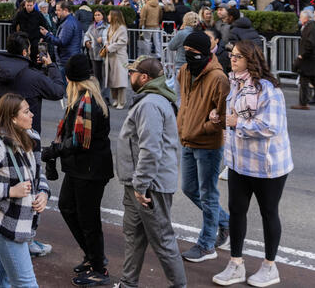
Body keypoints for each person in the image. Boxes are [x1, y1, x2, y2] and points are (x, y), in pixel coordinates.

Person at [212, 42, 293, 287]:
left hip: (267, 164)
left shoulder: (268, 89)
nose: (232, 60)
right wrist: (221, 118)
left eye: (238, 56)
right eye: (231, 55)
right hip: (238, 162)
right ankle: (235, 263)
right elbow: (233, 117)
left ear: (251, 59)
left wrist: (236, 123)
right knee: (236, 211)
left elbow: (270, 126)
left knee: (269, 213)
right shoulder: (235, 83)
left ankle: (270, 266)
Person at [114, 56, 186, 288]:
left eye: (132, 73)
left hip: (148, 186)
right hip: (140, 184)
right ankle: (128, 283)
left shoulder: (150, 104)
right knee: (134, 237)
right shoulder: (152, 100)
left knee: (162, 239)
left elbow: (150, 148)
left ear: (144, 77)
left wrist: (140, 185)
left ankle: (179, 285)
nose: (129, 76)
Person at [0, 93, 50, 287]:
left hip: (23, 222)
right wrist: (10, 191)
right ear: (12, 117)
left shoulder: (32, 138)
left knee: (0, 279)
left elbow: (39, 174)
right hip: (4, 224)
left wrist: (44, 193)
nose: (32, 115)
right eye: (26, 111)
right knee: (26, 283)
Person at [44, 54, 112, 286]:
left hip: (90, 170)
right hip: (80, 168)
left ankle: (98, 268)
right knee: (67, 207)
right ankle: (93, 256)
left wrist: (53, 151)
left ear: (71, 78)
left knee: (88, 219)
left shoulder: (87, 101)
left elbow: (79, 142)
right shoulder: (83, 99)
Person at [175, 30, 230, 264]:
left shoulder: (218, 78)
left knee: (208, 194)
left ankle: (207, 244)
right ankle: (227, 222)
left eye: (193, 52)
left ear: (205, 53)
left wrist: (208, 125)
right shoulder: (184, 72)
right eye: (185, 51)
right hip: (187, 139)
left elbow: (226, 117)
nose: (188, 56)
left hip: (208, 144)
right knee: (189, 188)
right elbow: (185, 102)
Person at [0, 32, 66, 141]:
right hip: (27, 140)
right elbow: (58, 91)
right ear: (24, 52)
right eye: (30, 49)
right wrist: (51, 66)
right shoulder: (34, 77)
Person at [41, 1, 82, 70]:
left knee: (64, 80)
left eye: (58, 10)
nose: (56, 12)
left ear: (65, 10)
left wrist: (47, 35)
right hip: (69, 57)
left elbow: (62, 42)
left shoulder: (68, 23)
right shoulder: (71, 20)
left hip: (66, 59)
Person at [103, 10, 130, 108]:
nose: (108, 16)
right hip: (110, 57)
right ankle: (115, 99)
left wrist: (109, 48)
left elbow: (122, 42)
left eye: (109, 15)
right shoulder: (110, 27)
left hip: (119, 57)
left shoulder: (122, 28)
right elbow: (106, 38)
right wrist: (106, 44)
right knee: (112, 79)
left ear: (114, 16)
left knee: (121, 80)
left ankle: (121, 101)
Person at [82, 9, 108, 87]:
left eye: (98, 15)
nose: (96, 17)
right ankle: (97, 93)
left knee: (104, 75)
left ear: (103, 16)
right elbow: (86, 35)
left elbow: (109, 37)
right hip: (93, 53)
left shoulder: (106, 26)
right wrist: (86, 42)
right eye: (95, 15)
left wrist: (102, 40)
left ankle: (104, 95)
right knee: (96, 75)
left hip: (103, 53)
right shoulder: (91, 26)